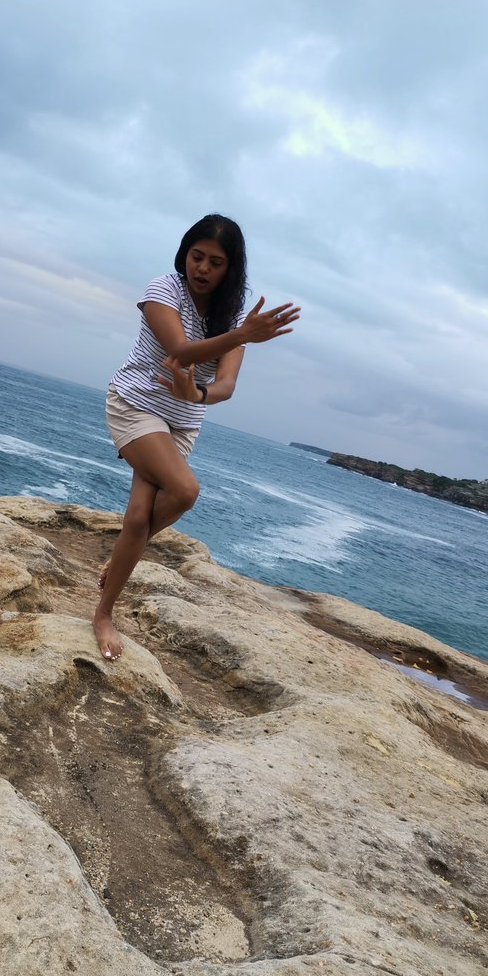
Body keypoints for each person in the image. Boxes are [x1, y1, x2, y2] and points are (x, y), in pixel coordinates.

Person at [94, 213, 301, 661]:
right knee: (185, 491)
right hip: (136, 404)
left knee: (136, 518)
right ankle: (107, 608)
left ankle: (110, 592)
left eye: (215, 262)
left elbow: (225, 387)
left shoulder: (230, 318)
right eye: (196, 256)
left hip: (182, 422)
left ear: (232, 269)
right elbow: (180, 351)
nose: (202, 268)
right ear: (184, 254)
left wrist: (199, 391)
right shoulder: (162, 290)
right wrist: (242, 334)